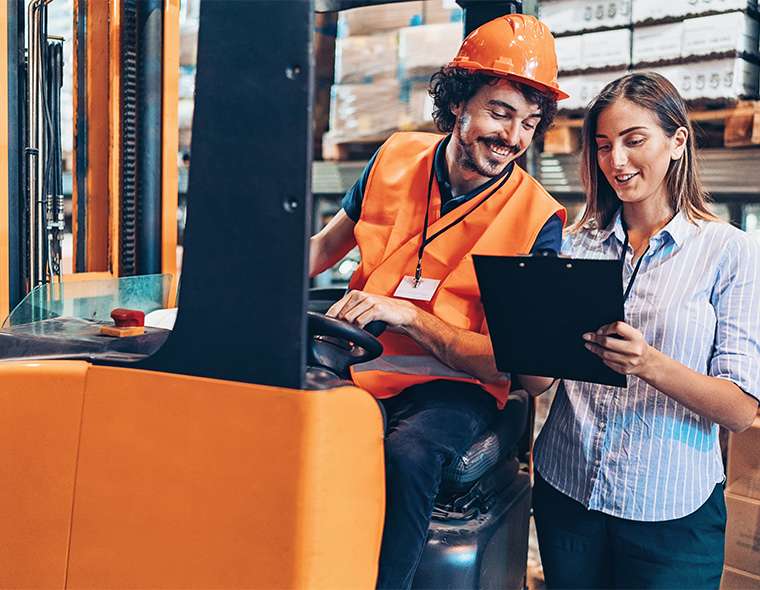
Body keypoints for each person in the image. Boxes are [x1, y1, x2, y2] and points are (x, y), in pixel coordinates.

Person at [309, 14, 568, 590]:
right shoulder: (396, 157)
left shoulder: (536, 220)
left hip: (456, 390)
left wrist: (409, 317)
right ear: (458, 103)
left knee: (410, 456)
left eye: (528, 123)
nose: (513, 137)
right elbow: (324, 247)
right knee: (290, 421)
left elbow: (530, 373)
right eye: (500, 112)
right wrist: (238, 283)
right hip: (358, 363)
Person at [530, 72, 760, 590]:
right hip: (567, 491)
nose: (617, 162)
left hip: (670, 513)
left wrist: (647, 363)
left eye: (635, 141)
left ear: (677, 141)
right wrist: (524, 330)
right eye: (605, 145)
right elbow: (535, 381)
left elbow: (741, 410)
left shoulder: (729, 252)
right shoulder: (572, 246)